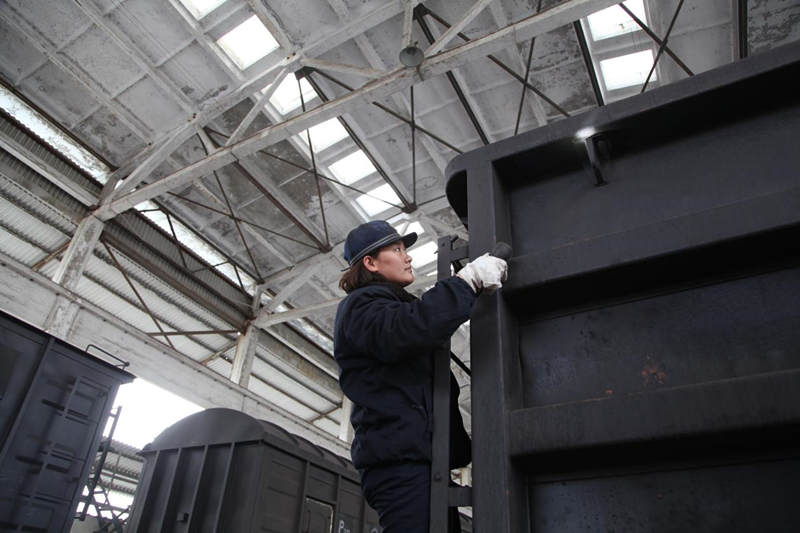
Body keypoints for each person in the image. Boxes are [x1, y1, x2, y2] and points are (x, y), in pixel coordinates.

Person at [333, 220, 508, 533]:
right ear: (370, 263)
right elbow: (408, 328)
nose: (408, 257)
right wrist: (465, 282)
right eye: (397, 250)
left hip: (421, 463)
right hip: (400, 467)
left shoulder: (389, 305)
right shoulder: (359, 307)